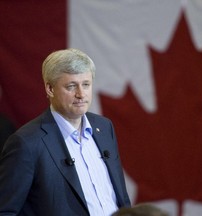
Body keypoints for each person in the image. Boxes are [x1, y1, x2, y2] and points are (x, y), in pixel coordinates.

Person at [0, 48, 131, 216]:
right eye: (71, 86)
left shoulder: (104, 127)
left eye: (86, 84)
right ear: (50, 89)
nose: (81, 94)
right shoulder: (27, 142)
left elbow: (119, 197)